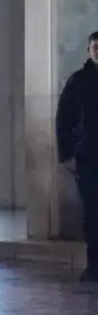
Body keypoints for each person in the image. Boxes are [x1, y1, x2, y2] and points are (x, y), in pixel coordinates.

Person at [56, 32, 98, 281]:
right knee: (92, 214)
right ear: (88, 50)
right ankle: (94, 267)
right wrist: (66, 155)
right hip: (88, 157)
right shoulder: (78, 81)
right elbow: (64, 120)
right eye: (95, 46)